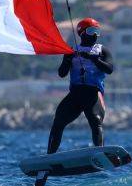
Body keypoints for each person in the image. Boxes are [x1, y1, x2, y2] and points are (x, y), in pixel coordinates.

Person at [47, 17, 114, 154]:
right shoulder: (71, 51)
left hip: (93, 95)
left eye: (97, 31)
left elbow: (109, 69)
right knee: (58, 122)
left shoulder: (102, 51)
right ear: (82, 32)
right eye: (91, 31)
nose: (95, 34)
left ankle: (99, 153)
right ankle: (49, 156)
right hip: (75, 95)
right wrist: (67, 59)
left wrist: (94, 59)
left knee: (96, 122)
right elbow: (61, 73)